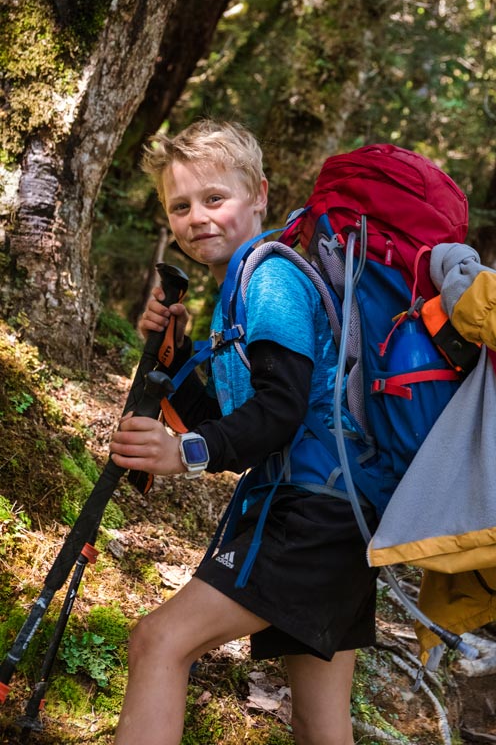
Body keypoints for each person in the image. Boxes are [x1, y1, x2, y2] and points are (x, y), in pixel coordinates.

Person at [110, 119, 378, 745]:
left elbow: (278, 413)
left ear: (258, 194)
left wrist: (186, 455)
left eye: (214, 198)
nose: (197, 217)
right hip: (345, 516)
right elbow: (240, 416)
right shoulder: (243, 288)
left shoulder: (271, 279)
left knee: (158, 642)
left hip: (309, 515)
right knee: (319, 724)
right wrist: (173, 358)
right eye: (181, 206)